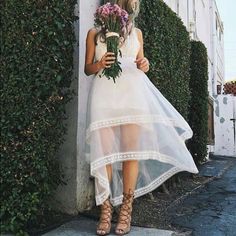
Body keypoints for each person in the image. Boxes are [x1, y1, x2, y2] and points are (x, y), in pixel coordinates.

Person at [84, 0, 199, 235]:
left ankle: (126, 209)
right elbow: (88, 68)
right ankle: (106, 209)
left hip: (133, 96)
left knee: (131, 153)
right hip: (104, 95)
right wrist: (99, 63)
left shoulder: (137, 32)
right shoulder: (95, 32)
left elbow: (141, 63)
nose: (137, 2)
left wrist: (145, 64)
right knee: (103, 154)